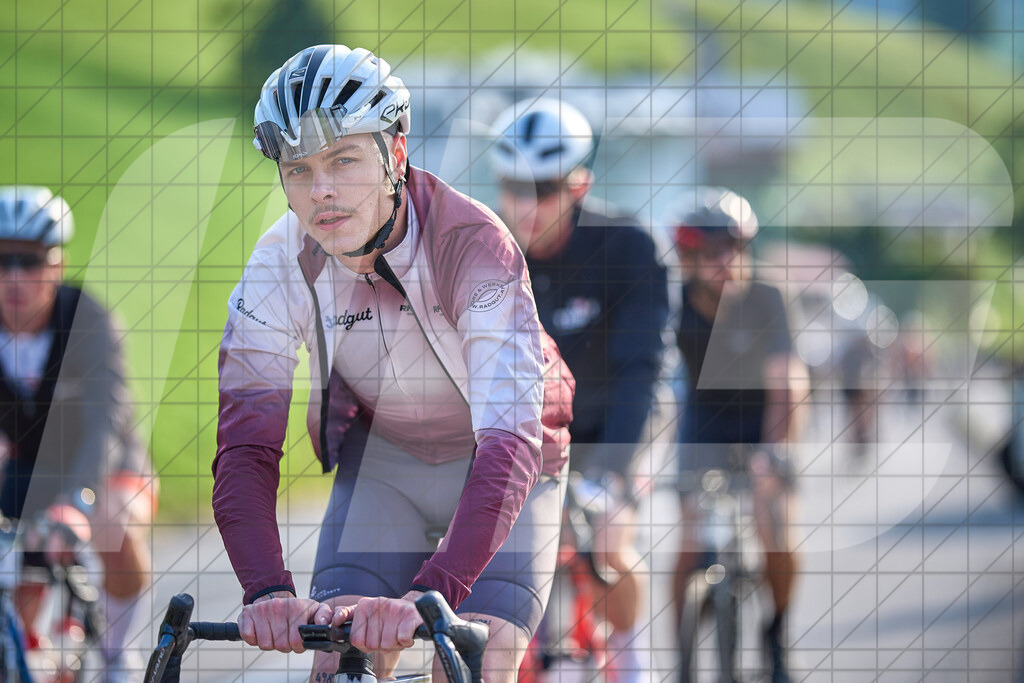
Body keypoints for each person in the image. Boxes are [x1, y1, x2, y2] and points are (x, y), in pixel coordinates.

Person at [212, 45, 574, 683]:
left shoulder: (475, 246)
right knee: (338, 654)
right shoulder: (277, 262)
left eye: (344, 159)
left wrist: (429, 593)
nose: (321, 189)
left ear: (395, 156)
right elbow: (245, 447)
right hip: (387, 464)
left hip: (504, 464)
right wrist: (267, 590)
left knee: (476, 657)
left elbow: (509, 446)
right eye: (297, 170)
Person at [489, 98, 670, 682]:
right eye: (512, 187)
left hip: (617, 418)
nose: (525, 206)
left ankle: (628, 655)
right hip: (531, 429)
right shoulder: (486, 253)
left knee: (611, 540)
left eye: (543, 190)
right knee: (502, 556)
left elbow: (641, 370)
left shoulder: (629, 248)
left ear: (580, 185)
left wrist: (614, 471)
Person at [0, 185, 158, 682]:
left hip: (104, 468)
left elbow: (105, 423)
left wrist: (79, 499)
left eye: (29, 261)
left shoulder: (87, 320)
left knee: (111, 521)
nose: (14, 278)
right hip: (24, 470)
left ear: (57, 263)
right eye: (1, 262)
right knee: (20, 640)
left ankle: (116, 652)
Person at [669, 188, 807, 683]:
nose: (726, 261)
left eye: (735, 249)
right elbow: (653, 381)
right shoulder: (674, 301)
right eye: (711, 252)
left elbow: (788, 381)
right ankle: (682, 655)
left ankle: (776, 634)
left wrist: (774, 453)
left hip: (761, 422)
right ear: (687, 257)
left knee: (775, 532)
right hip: (703, 424)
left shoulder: (768, 296)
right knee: (688, 541)